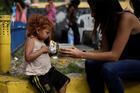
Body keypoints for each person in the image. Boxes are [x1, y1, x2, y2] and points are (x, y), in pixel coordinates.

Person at [60, 0, 140, 93]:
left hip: (137, 62)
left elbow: (114, 56)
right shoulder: (107, 21)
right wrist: (79, 52)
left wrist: (81, 54)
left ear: (105, 9)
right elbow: (104, 50)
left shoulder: (126, 18)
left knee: (109, 69)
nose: (92, 15)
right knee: (91, 63)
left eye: (94, 11)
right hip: (122, 61)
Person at [22, 14, 70, 93]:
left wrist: (52, 52)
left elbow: (43, 55)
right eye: (47, 32)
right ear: (38, 30)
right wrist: (41, 50)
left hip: (48, 71)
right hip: (38, 75)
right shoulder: (31, 40)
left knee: (64, 81)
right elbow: (28, 57)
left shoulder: (41, 41)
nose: (48, 35)